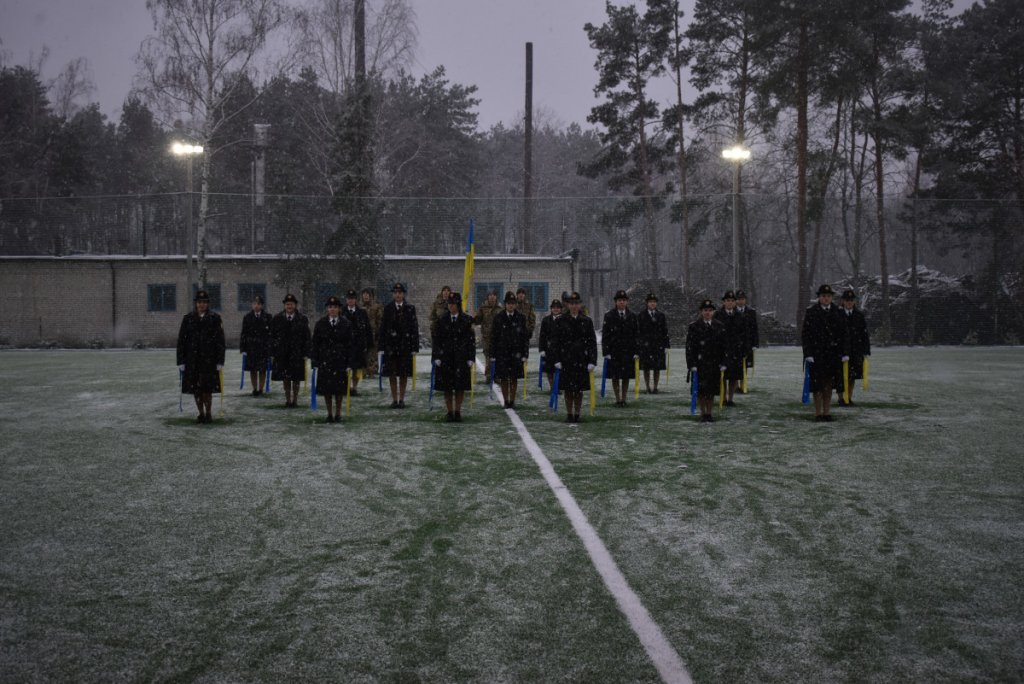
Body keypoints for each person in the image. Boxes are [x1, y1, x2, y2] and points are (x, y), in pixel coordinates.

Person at [176, 289, 226, 423]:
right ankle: (201, 413)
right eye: (199, 302)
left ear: (207, 303)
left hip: (209, 360)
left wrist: (220, 360)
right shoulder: (188, 319)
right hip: (192, 360)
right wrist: (180, 361)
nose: (201, 304)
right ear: (196, 303)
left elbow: (220, 341)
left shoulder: (215, 318)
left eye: (204, 302)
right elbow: (181, 341)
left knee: (207, 389)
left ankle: (208, 413)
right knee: (196, 389)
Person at [550, 292, 597, 423]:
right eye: (572, 304)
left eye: (576, 303)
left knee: (579, 389)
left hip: (582, 359)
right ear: (567, 305)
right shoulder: (560, 320)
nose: (574, 306)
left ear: (580, 304)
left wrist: (592, 361)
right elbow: (555, 342)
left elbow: (592, 342)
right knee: (568, 389)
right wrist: (556, 359)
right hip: (566, 360)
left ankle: (577, 413)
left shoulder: (587, 321)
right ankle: (569, 413)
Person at [431, 292, 476, 422]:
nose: (451, 306)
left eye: (453, 303)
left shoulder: (466, 320)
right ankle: (450, 412)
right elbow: (437, 340)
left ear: (458, 305)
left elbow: (471, 340)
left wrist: (471, 357)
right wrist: (436, 356)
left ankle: (458, 411)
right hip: (446, 357)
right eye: (449, 303)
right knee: (447, 387)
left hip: (461, 358)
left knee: (460, 387)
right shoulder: (442, 320)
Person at [802, 284, 844, 421]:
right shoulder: (811, 312)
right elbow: (806, 335)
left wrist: (843, 352)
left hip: (832, 354)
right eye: (823, 296)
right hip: (817, 354)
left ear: (832, 297)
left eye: (828, 296)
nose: (826, 298)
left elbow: (843, 334)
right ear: (819, 297)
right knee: (817, 386)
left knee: (828, 385)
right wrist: (808, 353)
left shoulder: (838, 311)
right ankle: (818, 413)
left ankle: (827, 412)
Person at [310, 296, 353, 423]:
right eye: (330, 307)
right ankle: (329, 413)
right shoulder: (320, 324)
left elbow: (350, 345)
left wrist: (349, 362)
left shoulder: (346, 324)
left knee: (339, 390)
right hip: (325, 361)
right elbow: (315, 344)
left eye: (335, 307)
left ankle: (338, 413)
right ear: (327, 309)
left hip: (340, 360)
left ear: (339, 309)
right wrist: (314, 360)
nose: (332, 309)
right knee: (327, 390)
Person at [379, 282, 420, 408]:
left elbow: (414, 328)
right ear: (393, 294)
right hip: (391, 346)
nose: (397, 295)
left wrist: (414, 347)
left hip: (405, 346)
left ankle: (401, 399)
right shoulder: (388, 308)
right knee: (392, 374)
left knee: (403, 374)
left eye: (400, 293)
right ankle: (394, 399)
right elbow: (383, 328)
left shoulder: (410, 308)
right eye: (395, 293)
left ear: (403, 294)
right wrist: (381, 346)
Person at [685, 299, 726, 423]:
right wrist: (691, 364)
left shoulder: (719, 326)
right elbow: (690, 347)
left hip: (714, 363)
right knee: (701, 391)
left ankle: (709, 413)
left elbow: (723, 346)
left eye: (710, 310)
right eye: (705, 310)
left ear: (713, 312)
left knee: (711, 391)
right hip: (700, 364)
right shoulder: (694, 326)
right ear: (701, 312)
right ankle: (702, 413)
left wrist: (723, 362)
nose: (708, 313)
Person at [490, 291, 530, 408]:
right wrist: (492, 354)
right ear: (505, 304)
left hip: (516, 353)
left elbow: (524, 338)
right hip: (502, 353)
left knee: (513, 378)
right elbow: (494, 337)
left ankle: (512, 400)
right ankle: (506, 401)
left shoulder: (521, 318)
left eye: (513, 303)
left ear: (516, 304)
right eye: (508, 303)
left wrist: (525, 354)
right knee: (503, 378)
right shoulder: (498, 318)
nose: (511, 305)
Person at [270, 293, 311, 408]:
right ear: (284, 305)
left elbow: (307, 337)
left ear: (295, 305)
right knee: (286, 378)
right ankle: (288, 399)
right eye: (287, 304)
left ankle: (295, 400)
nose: (289, 306)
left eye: (291, 304)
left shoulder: (302, 319)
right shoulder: (277, 318)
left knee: (296, 378)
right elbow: (272, 336)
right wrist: (273, 351)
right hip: (282, 353)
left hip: (297, 353)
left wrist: (306, 352)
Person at [601, 289, 639, 406]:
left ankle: (624, 398)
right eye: (619, 300)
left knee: (626, 376)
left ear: (627, 302)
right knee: (615, 376)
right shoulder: (609, 316)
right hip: (614, 351)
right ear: (616, 302)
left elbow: (636, 335)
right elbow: (605, 335)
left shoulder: (633, 316)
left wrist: (637, 351)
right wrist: (606, 351)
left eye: (623, 300)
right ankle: (617, 399)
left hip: (628, 351)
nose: (621, 302)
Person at [837, 288, 871, 406]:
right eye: (847, 300)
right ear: (843, 301)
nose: (849, 302)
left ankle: (848, 398)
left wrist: (866, 350)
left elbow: (864, 334)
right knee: (840, 376)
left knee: (852, 376)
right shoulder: (837, 314)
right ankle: (841, 398)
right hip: (840, 350)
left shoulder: (859, 315)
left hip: (855, 350)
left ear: (854, 301)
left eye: (851, 300)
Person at [713, 290, 745, 406]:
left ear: (735, 302)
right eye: (727, 300)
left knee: (734, 377)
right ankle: (723, 398)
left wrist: (744, 349)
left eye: (732, 300)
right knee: (723, 376)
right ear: (723, 302)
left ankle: (730, 399)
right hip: (722, 350)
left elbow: (744, 333)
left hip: (736, 350)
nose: (730, 303)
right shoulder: (717, 315)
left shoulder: (740, 315)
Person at [637, 292, 670, 394]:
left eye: (654, 302)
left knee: (657, 368)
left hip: (658, 345)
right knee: (646, 368)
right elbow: (638, 331)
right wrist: (639, 344)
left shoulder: (661, 315)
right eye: (650, 302)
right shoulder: (641, 315)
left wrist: (666, 345)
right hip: (645, 346)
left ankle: (655, 387)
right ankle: (647, 387)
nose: (652, 303)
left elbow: (665, 331)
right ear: (647, 303)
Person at [342, 289, 373, 396]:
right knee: (345, 368)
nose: (351, 301)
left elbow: (367, 329)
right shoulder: (342, 312)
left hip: (358, 345)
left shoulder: (362, 313)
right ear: (346, 300)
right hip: (344, 346)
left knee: (357, 368)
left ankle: (354, 388)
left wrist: (369, 344)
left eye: (352, 299)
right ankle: (346, 387)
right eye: (349, 299)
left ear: (355, 300)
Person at [239, 294, 272, 396]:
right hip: (251, 348)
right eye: (254, 304)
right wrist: (243, 348)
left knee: (262, 370)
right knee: (252, 370)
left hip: (263, 348)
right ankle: (254, 389)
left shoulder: (268, 317)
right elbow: (244, 333)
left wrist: (271, 348)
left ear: (262, 305)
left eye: (258, 304)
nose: (256, 306)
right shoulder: (247, 317)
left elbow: (271, 334)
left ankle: (261, 389)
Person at [473, 290, 501, 382]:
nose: (492, 297)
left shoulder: (500, 308)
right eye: (490, 295)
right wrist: (474, 318)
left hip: (498, 337)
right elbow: (478, 320)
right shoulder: (483, 308)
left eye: (494, 295)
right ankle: (489, 375)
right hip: (487, 336)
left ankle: (497, 375)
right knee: (488, 355)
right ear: (487, 297)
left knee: (497, 355)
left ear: (496, 297)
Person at [538, 299, 563, 388]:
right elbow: (542, 336)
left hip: (561, 350)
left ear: (560, 309)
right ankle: (552, 387)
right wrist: (541, 349)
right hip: (549, 350)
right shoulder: (546, 320)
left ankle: (559, 387)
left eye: (557, 307)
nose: (555, 309)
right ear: (551, 309)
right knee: (550, 371)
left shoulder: (565, 319)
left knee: (561, 370)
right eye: (554, 307)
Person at [736, 289, 759, 381]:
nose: (741, 301)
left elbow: (754, 328)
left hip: (747, 343)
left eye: (742, 299)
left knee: (745, 364)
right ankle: (736, 384)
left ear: (745, 300)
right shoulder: (733, 312)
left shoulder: (751, 312)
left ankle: (743, 384)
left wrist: (755, 343)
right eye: (739, 299)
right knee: (735, 365)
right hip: (736, 343)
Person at [361, 288, 383, 377]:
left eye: (367, 294)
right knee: (363, 355)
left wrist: (378, 333)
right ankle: (363, 371)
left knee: (372, 355)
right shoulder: (360, 307)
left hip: (373, 335)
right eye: (364, 295)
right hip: (363, 335)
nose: (366, 296)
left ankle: (372, 372)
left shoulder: (376, 307)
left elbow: (380, 321)